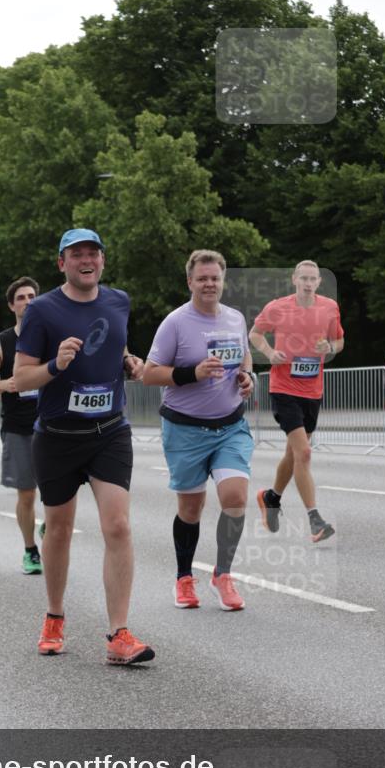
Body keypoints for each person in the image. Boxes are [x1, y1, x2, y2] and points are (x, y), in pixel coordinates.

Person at [15, 228, 154, 665]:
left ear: (103, 261)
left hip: (109, 431)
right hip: (57, 436)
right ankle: (55, 616)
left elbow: (115, 341)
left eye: (93, 253)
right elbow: (21, 377)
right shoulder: (41, 310)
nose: (86, 260)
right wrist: (55, 365)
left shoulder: (119, 301)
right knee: (58, 529)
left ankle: (119, 634)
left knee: (119, 526)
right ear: (62, 263)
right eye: (76, 254)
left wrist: (128, 361)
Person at [143, 249, 255, 612]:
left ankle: (223, 575)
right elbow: (149, 374)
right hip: (185, 429)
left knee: (235, 498)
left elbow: (244, 355)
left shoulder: (235, 318)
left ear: (223, 281)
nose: (209, 284)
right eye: (202, 278)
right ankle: (184, 577)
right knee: (191, 507)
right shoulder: (175, 323)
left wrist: (247, 376)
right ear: (190, 282)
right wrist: (192, 373)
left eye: (215, 278)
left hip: (230, 425)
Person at [249, 259, 344, 543]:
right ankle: (315, 520)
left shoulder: (329, 307)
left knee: (293, 455)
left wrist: (330, 346)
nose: (308, 283)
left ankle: (271, 498)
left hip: (312, 391)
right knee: (304, 453)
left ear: (319, 282)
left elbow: (340, 341)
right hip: (284, 389)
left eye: (312, 279)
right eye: (303, 278)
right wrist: (270, 353)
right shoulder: (278, 307)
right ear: (294, 280)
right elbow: (255, 333)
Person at [0, 276, 43, 574]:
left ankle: (51, 525)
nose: (27, 302)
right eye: (21, 298)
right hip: (18, 427)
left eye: (32, 297)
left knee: (60, 491)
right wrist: (5, 384)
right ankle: (30, 550)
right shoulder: (1, 341)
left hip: (52, 424)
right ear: (11, 306)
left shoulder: (50, 334)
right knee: (27, 493)